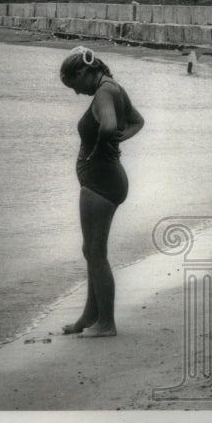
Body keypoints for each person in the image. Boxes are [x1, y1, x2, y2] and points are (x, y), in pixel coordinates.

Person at [59, 46, 145, 337]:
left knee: (96, 253)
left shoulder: (104, 92)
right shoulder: (113, 87)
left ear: (83, 72)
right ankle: (90, 315)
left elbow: (108, 125)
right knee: (91, 251)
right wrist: (118, 139)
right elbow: (137, 121)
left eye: (74, 85)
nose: (75, 92)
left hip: (100, 181)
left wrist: (97, 149)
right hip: (108, 179)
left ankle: (106, 323)